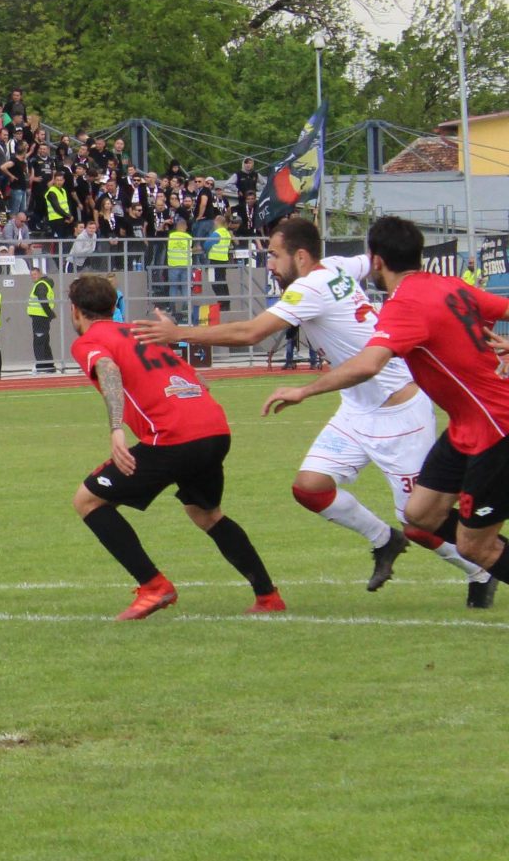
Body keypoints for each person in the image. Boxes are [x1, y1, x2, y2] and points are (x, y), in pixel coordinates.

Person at [136, 216, 489, 598]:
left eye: (273, 255)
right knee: (310, 487)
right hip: (356, 407)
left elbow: (251, 332)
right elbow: (372, 263)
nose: (268, 263)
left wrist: (178, 334)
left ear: (300, 256)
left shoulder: (310, 287)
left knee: (422, 521)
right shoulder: (337, 266)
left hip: (398, 412)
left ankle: (480, 570)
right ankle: (384, 539)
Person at [263, 215, 509, 609]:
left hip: (497, 429)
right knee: (419, 515)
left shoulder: (405, 305)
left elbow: (367, 364)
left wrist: (305, 390)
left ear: (376, 261)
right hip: (467, 426)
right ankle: (423, 530)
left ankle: (481, 541)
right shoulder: (449, 285)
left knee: (474, 546)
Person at [66, 273, 280, 620]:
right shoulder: (145, 332)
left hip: (174, 437)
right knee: (206, 513)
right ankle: (268, 596)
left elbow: (106, 367)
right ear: (114, 305)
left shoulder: (90, 340)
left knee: (88, 500)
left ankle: (153, 587)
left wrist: (116, 428)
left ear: (75, 311)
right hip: (214, 428)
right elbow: (200, 380)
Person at [27, 267, 58, 374]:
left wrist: (50, 314)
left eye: (35, 274)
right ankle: (49, 365)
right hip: (42, 317)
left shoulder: (41, 285)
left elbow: (42, 300)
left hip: (40, 317)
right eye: (31, 275)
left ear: (40, 274)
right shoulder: (44, 284)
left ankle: (41, 366)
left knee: (39, 342)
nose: (33, 276)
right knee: (44, 341)